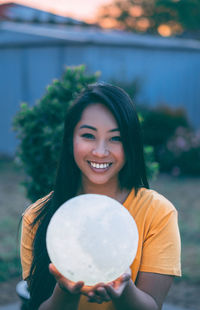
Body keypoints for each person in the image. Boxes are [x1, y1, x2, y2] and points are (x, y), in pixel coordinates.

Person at [20, 82, 181, 310]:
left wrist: (124, 290)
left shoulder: (158, 213)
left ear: (131, 144)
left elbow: (152, 306)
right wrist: (65, 291)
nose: (100, 151)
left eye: (116, 138)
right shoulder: (38, 216)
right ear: (70, 140)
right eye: (88, 135)